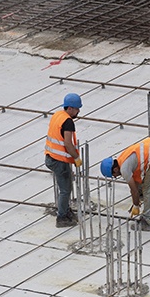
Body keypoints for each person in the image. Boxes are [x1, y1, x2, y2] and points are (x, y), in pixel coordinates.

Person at [100, 129, 150, 231]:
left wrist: (136, 205)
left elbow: (133, 190)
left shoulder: (124, 168)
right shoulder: (123, 158)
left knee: (149, 188)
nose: (116, 176)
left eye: (114, 175)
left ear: (115, 169)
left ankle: (146, 221)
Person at [45, 93, 84, 228]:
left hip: (50, 156)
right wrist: (76, 158)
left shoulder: (58, 115)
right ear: (71, 108)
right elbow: (68, 144)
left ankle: (65, 210)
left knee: (66, 187)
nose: (78, 111)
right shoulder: (68, 122)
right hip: (58, 160)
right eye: (77, 109)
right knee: (65, 190)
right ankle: (61, 217)